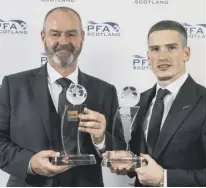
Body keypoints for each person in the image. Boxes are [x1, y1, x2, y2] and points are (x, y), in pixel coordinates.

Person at [0, 7, 125, 187]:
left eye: (71, 34)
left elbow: (121, 150)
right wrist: (30, 163)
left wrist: (101, 140)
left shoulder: (105, 91)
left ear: (83, 36)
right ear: (43, 37)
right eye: (55, 34)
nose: (63, 41)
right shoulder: (14, 86)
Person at [103, 20, 206, 187]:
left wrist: (164, 178)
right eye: (155, 49)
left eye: (171, 48)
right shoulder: (140, 101)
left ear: (186, 53)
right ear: (148, 57)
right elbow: (137, 161)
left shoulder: (204, 101)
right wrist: (127, 161)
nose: (162, 56)